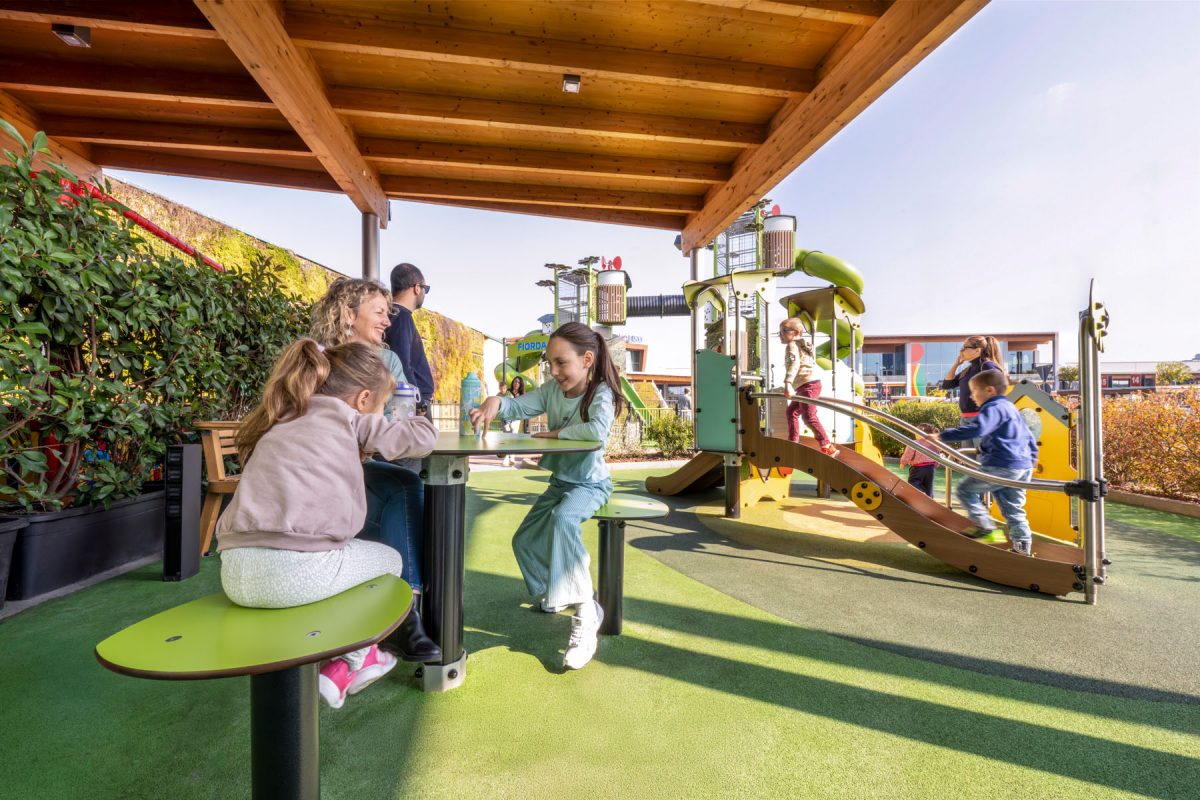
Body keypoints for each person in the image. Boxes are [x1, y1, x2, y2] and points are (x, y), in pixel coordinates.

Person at [216, 339, 440, 709]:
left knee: (346, 556)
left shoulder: (285, 416)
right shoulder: (349, 418)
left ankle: (363, 658)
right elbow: (416, 440)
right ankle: (350, 663)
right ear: (363, 399)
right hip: (291, 576)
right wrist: (418, 418)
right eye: (381, 407)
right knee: (390, 563)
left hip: (234, 573)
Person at [469, 322, 624, 670]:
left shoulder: (600, 393)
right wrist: (495, 402)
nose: (553, 371)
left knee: (564, 518)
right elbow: (517, 407)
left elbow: (597, 432)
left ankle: (586, 612)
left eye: (561, 363)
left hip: (591, 484)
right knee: (524, 541)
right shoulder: (552, 391)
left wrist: (553, 434)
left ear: (587, 360)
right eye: (550, 364)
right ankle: (559, 591)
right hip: (560, 483)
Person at [310, 278, 431, 635]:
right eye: (379, 312)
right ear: (349, 315)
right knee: (403, 485)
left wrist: (380, 432)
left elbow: (399, 415)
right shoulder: (316, 358)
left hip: (362, 460)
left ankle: (405, 610)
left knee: (405, 481)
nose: (387, 321)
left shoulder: (388, 359)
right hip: (324, 468)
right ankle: (400, 611)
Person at [939, 369, 1039, 556]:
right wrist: (1032, 460)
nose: (972, 396)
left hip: (1001, 464)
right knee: (1012, 508)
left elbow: (977, 429)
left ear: (990, 390)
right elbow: (1029, 437)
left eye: (974, 391)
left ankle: (986, 528)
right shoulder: (1010, 408)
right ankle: (1022, 546)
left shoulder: (993, 407)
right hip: (1021, 466)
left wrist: (942, 436)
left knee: (965, 490)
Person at [779, 318, 838, 456]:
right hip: (808, 385)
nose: (781, 334)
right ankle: (793, 442)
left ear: (796, 332)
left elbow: (794, 365)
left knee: (809, 416)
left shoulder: (792, 345)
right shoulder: (803, 345)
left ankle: (827, 445)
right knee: (791, 412)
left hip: (808, 385)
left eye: (784, 331)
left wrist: (787, 383)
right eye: (780, 332)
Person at [385, 263, 435, 417]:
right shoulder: (402, 318)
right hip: (413, 404)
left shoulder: (391, 315)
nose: (424, 293)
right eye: (426, 289)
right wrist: (418, 403)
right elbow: (402, 364)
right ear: (417, 288)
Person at [941, 335, 1006, 424]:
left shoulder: (987, 366)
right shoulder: (968, 369)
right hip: (965, 418)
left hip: (981, 418)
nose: (961, 350)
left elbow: (999, 391)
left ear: (977, 350)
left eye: (965, 347)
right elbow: (947, 385)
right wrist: (956, 364)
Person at [900, 423, 940, 497]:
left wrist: (903, 463)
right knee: (929, 485)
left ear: (920, 433)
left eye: (916, 432)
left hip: (918, 468)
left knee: (913, 482)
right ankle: (929, 497)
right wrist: (936, 465)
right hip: (930, 468)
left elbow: (908, 454)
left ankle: (921, 492)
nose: (915, 434)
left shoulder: (915, 443)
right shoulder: (933, 444)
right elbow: (937, 455)